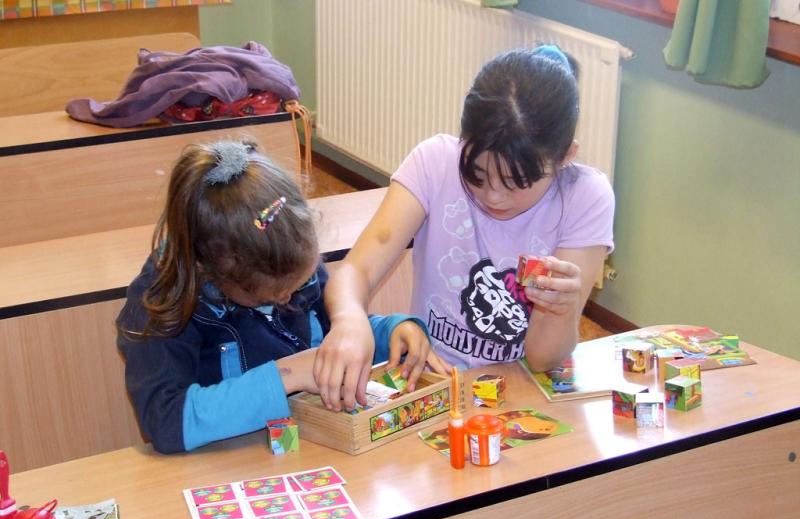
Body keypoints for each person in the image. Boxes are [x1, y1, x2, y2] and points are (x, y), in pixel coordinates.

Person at [315, 45, 615, 411]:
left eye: (516, 181)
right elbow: (356, 270)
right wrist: (349, 319)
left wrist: (561, 310)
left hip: (519, 391)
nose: (493, 195)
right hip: (432, 384)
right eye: (476, 173)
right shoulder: (435, 162)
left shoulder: (585, 196)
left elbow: (541, 360)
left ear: (565, 156)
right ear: (463, 140)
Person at [117, 139, 431, 453]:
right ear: (210, 270)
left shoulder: (288, 255)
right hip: (226, 464)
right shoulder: (160, 303)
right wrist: (289, 375)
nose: (288, 297)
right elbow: (164, 421)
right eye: (273, 296)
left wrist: (388, 333)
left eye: (300, 282)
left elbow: (334, 336)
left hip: (308, 448)